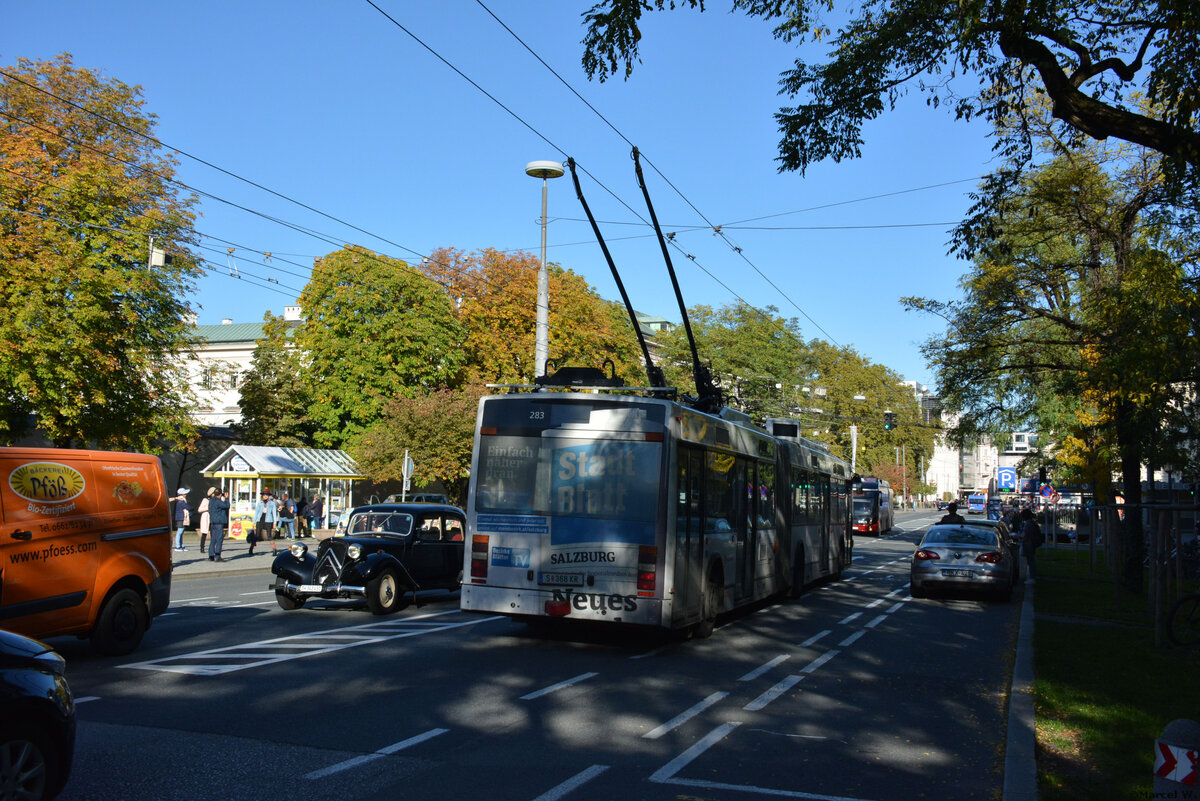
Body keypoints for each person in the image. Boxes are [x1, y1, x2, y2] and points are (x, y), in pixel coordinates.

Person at [1019, 507, 1044, 584]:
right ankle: (1032, 577)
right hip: (1031, 544)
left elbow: (1025, 535)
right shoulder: (1032, 523)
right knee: (1031, 561)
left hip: (1029, 544)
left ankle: (1032, 578)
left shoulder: (1028, 524)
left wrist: (1018, 536)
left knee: (1030, 561)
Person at [251, 490, 278, 556]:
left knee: (269, 535)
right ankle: (251, 549)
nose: (265, 496)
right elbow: (256, 512)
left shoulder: (272, 503)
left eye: (266, 495)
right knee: (257, 535)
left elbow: (274, 513)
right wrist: (254, 522)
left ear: (268, 496)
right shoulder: (260, 503)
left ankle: (274, 550)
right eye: (264, 495)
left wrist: (275, 523)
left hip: (268, 519)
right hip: (260, 519)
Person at [208, 488, 230, 562]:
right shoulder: (218, 502)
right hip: (219, 522)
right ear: (220, 494)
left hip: (213, 522)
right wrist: (226, 498)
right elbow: (227, 506)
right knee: (219, 539)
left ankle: (211, 555)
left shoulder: (211, 501)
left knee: (213, 539)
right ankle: (217, 556)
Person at [197, 488, 215, 554]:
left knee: (213, 533)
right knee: (204, 533)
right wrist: (208, 508)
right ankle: (202, 547)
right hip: (206, 517)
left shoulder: (215, 500)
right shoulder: (205, 500)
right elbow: (199, 509)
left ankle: (212, 547)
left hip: (212, 518)